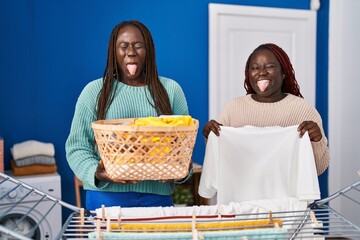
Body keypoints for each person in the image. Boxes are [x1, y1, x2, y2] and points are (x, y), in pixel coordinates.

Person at [65, 20, 192, 210]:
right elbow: (77, 146)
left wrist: (181, 171)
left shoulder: (171, 90)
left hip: (157, 198)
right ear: (113, 52)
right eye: (123, 46)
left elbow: (183, 149)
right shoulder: (94, 92)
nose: (131, 52)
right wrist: (96, 172)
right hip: (106, 197)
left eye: (138, 46)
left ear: (149, 50)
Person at [202, 43, 330, 176]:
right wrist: (211, 137)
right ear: (248, 74)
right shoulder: (233, 109)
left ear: (283, 73)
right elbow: (219, 163)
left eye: (270, 67)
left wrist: (316, 141)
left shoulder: (303, 110)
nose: (262, 72)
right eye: (255, 68)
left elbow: (318, 169)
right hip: (242, 195)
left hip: (288, 195)